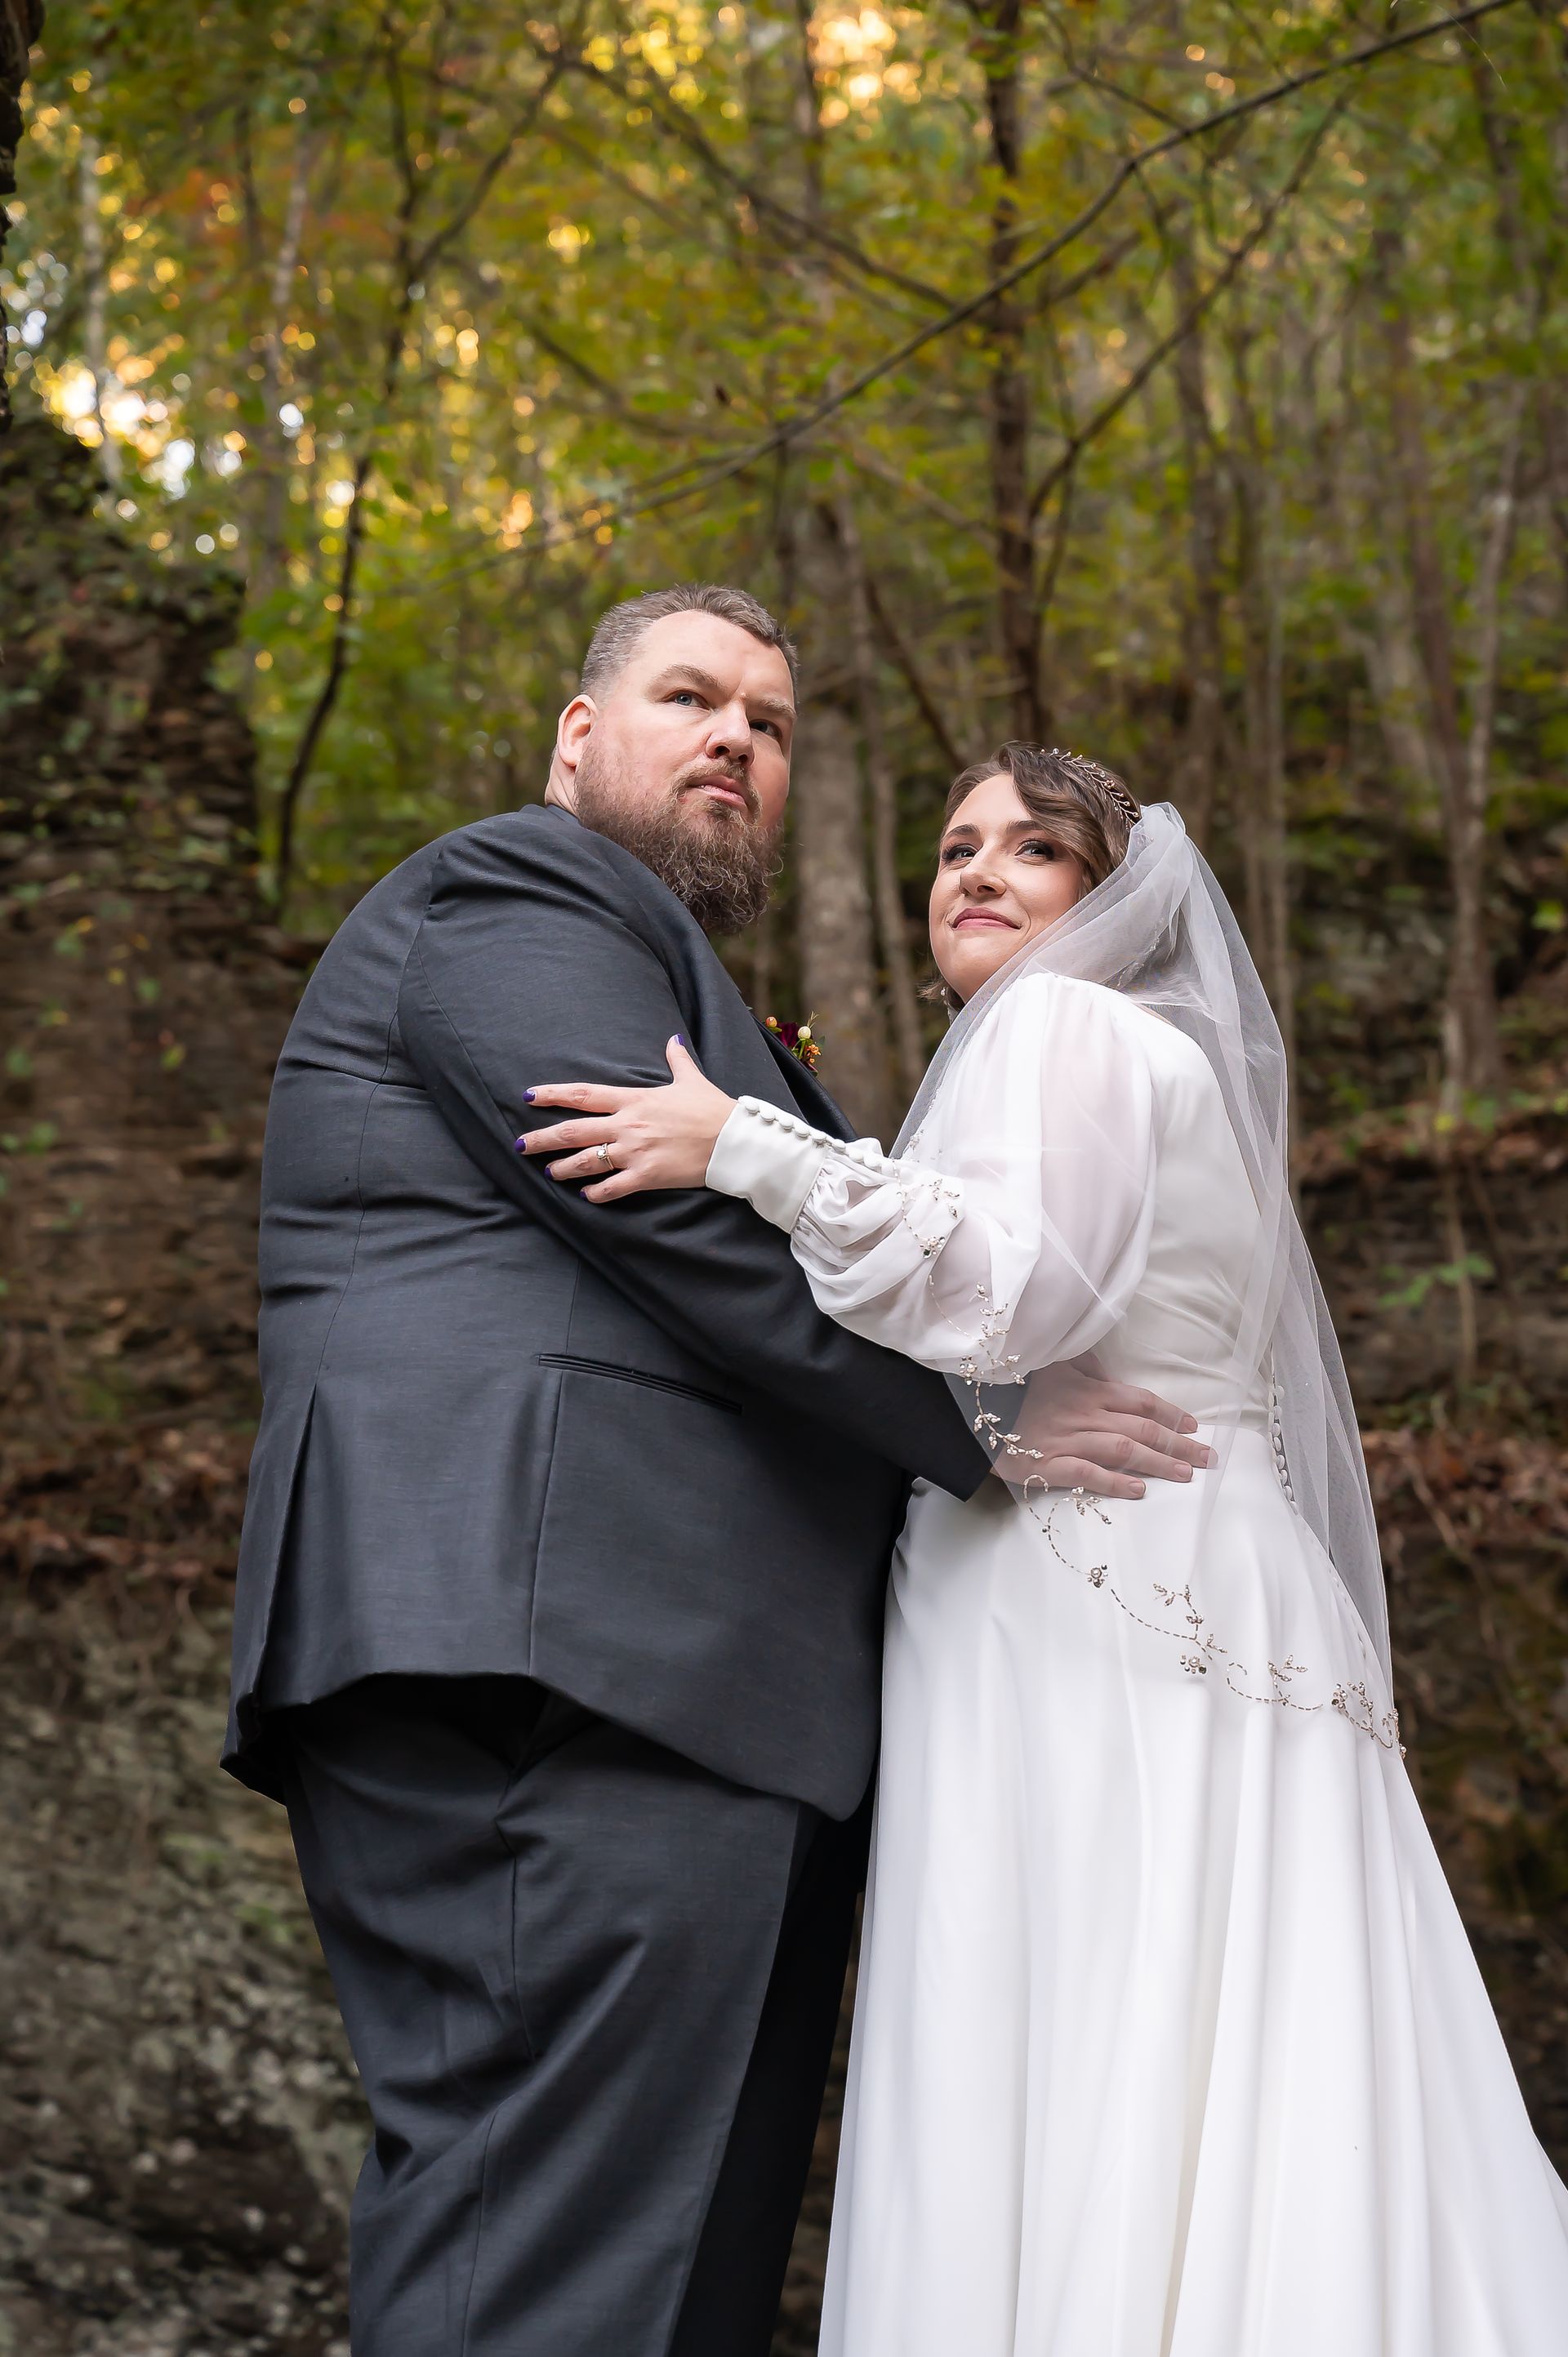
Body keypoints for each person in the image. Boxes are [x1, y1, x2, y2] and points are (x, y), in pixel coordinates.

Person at [223, 590, 1206, 2357]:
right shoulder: (514, 892)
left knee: (670, 2273)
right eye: (690, 697)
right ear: (577, 739)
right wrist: (976, 1429)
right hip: (555, 1638)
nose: (736, 737)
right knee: (555, 2254)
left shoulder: (709, 995)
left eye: (769, 718)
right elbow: (670, 1223)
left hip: (689, 1684)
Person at [528, 742, 1568, 2355]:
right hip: (1217, 1571)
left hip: (1089, 1586)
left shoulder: (1064, 1027)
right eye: (953, 846)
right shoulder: (1179, 1071)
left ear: (1115, 897)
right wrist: (992, 1422)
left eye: (1035, 849)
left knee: (1078, 2027)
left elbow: (1012, 1292)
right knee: (1259, 2038)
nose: (977, 870)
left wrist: (742, 1145)